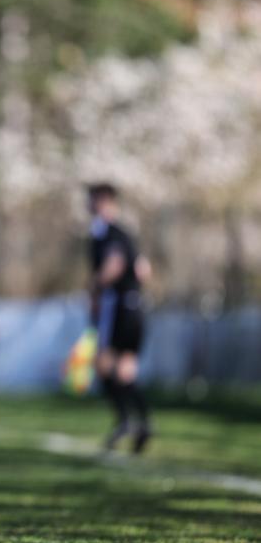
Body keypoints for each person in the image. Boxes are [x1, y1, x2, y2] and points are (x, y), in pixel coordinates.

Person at [86, 182, 152, 454]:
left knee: (103, 365)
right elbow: (144, 270)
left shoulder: (108, 233)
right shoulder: (126, 234)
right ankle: (143, 424)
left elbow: (115, 264)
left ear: (104, 201)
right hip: (135, 305)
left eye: (92, 199)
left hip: (119, 308)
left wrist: (95, 287)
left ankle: (126, 420)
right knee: (125, 370)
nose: (88, 204)